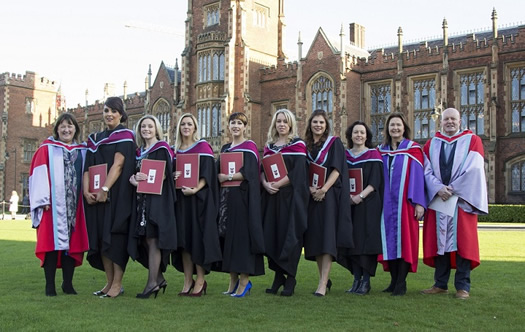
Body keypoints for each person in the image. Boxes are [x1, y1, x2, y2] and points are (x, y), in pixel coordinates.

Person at [421, 108, 488, 300]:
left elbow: (474, 168)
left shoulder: (472, 140)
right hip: (439, 199)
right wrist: (438, 188)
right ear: (440, 122)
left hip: (461, 200)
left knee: (463, 244)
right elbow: (425, 171)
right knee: (440, 243)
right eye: (446, 119)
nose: (449, 122)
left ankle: (462, 286)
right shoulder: (431, 144)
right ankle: (440, 284)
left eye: (453, 119)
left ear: (460, 122)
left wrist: (452, 189)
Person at [29, 113, 89, 296]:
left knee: (72, 245)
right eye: (62, 126)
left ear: (75, 129)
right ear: (56, 129)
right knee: (51, 245)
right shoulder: (47, 149)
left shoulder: (82, 150)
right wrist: (43, 200)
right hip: (52, 206)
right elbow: (38, 173)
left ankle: (68, 284)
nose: (66, 129)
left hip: (76, 205)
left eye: (70, 126)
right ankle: (50, 286)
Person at [83, 97, 136, 298]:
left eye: (114, 111)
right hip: (96, 197)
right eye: (106, 110)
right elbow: (87, 168)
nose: (109, 114)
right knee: (100, 238)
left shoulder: (125, 136)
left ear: (121, 114)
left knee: (115, 239)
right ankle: (108, 282)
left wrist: (105, 188)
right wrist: (87, 191)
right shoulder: (95, 139)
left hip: (117, 196)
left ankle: (117, 284)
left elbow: (119, 164)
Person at [215, 112, 265, 297]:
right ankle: (232, 282)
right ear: (228, 126)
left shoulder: (249, 147)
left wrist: (227, 176)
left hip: (243, 200)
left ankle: (245, 282)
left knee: (242, 241)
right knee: (229, 240)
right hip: (226, 199)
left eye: (239, 123)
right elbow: (217, 169)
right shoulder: (226, 148)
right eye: (232, 123)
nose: (235, 126)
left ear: (245, 126)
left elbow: (250, 172)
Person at [303, 110, 352, 297]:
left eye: (321, 122)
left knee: (326, 239)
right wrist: (310, 189)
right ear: (310, 124)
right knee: (315, 239)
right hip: (311, 196)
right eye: (315, 122)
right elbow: (304, 171)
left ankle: (322, 284)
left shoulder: (334, 143)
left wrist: (323, 189)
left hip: (328, 197)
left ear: (326, 125)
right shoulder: (306, 146)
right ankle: (323, 279)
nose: (318, 125)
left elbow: (337, 169)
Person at [128, 115, 177, 299]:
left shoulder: (162, 149)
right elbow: (136, 174)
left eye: (150, 126)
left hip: (158, 201)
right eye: (143, 126)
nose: (146, 129)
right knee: (145, 240)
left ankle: (151, 284)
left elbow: (164, 176)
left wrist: (142, 181)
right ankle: (160, 278)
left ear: (156, 129)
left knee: (152, 239)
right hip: (142, 201)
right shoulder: (140, 150)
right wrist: (134, 179)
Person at [172, 113, 221, 297]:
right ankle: (187, 281)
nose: (186, 127)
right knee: (184, 242)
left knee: (197, 240)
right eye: (183, 124)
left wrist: (195, 189)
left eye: (189, 124)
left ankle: (200, 280)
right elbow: (170, 174)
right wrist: (174, 176)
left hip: (198, 201)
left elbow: (208, 174)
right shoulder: (175, 150)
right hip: (181, 201)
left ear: (195, 127)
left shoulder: (203, 147)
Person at [261, 109, 309, 297]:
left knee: (290, 236)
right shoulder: (269, 146)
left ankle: (290, 277)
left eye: (285, 121)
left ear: (290, 124)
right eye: (278, 121)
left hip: (291, 198)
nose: (281, 124)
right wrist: (265, 184)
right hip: (272, 198)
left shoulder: (297, 145)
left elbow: (299, 172)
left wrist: (278, 184)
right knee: (274, 235)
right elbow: (262, 170)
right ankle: (278, 276)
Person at [377, 113, 426, 296]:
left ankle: (401, 283)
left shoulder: (413, 149)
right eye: (392, 125)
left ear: (404, 128)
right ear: (387, 129)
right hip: (387, 206)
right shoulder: (381, 150)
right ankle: (393, 281)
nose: (395, 128)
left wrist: (419, 203)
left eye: (398, 125)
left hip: (406, 205)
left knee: (405, 242)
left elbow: (418, 178)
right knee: (389, 243)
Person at [339, 121, 384, 295]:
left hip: (369, 204)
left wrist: (360, 196)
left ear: (367, 136)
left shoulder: (373, 155)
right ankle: (356, 279)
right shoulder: (345, 156)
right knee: (353, 242)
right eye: (356, 132)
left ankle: (366, 281)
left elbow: (375, 181)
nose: (359, 135)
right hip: (350, 205)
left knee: (366, 242)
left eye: (362, 133)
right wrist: (349, 197)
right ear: (350, 135)